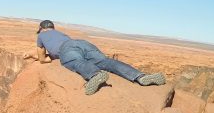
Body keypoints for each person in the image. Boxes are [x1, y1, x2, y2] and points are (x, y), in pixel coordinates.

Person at [23, 20, 166, 95]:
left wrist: (33, 56)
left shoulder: (41, 36)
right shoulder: (60, 34)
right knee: (106, 61)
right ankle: (140, 77)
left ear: (41, 29)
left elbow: (43, 59)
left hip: (66, 49)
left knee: (75, 62)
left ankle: (95, 75)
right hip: (82, 43)